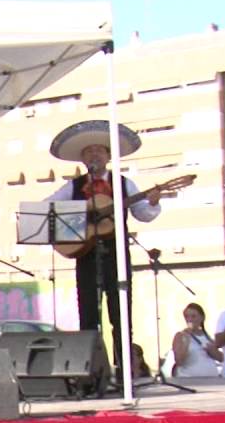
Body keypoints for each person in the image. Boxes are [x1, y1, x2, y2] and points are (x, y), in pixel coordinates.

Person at [46, 120, 173, 366]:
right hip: (85, 255)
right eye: (89, 151)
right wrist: (83, 214)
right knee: (88, 315)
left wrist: (154, 202)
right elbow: (48, 208)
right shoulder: (73, 186)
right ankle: (92, 371)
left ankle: (124, 370)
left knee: (121, 313)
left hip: (116, 254)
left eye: (99, 150)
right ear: (82, 158)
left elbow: (142, 214)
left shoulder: (124, 183)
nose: (94, 154)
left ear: (108, 155)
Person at [170, 302, 222, 377]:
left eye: (193, 316)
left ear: (201, 318)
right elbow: (179, 361)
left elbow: (221, 358)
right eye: (187, 317)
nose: (190, 319)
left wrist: (212, 351)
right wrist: (186, 342)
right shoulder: (180, 336)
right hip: (189, 378)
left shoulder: (207, 336)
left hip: (210, 379)